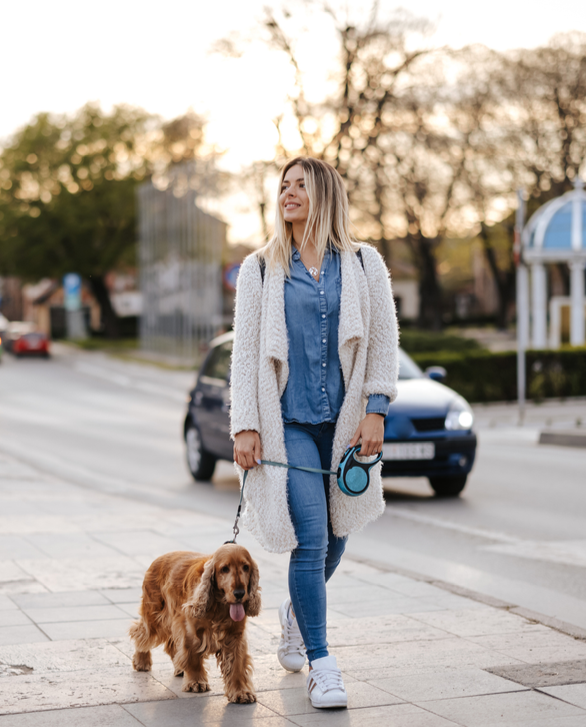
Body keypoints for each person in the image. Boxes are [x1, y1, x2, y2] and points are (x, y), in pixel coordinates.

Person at [228, 157, 398, 710]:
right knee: (312, 538)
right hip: (289, 427)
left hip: (345, 424)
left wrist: (375, 409)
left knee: (340, 529)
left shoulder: (365, 264)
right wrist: (246, 426)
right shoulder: (260, 269)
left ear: (325, 195)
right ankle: (322, 665)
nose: (289, 194)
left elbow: (382, 344)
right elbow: (246, 354)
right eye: (284, 186)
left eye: (301, 185)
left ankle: (297, 611)